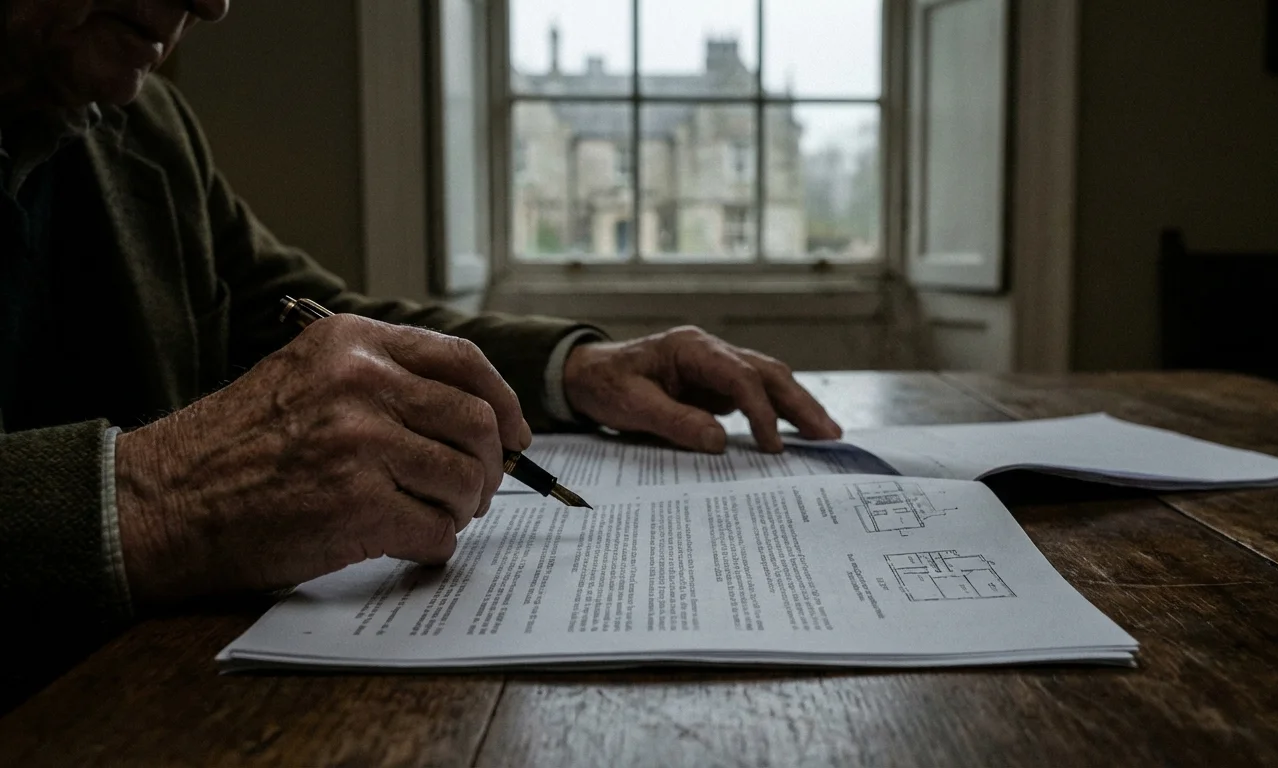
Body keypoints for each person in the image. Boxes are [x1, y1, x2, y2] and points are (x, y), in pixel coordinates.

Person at [0, 0, 841, 706]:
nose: (213, 2)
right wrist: (151, 497)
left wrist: (576, 368)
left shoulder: (143, 123)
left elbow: (302, 317)